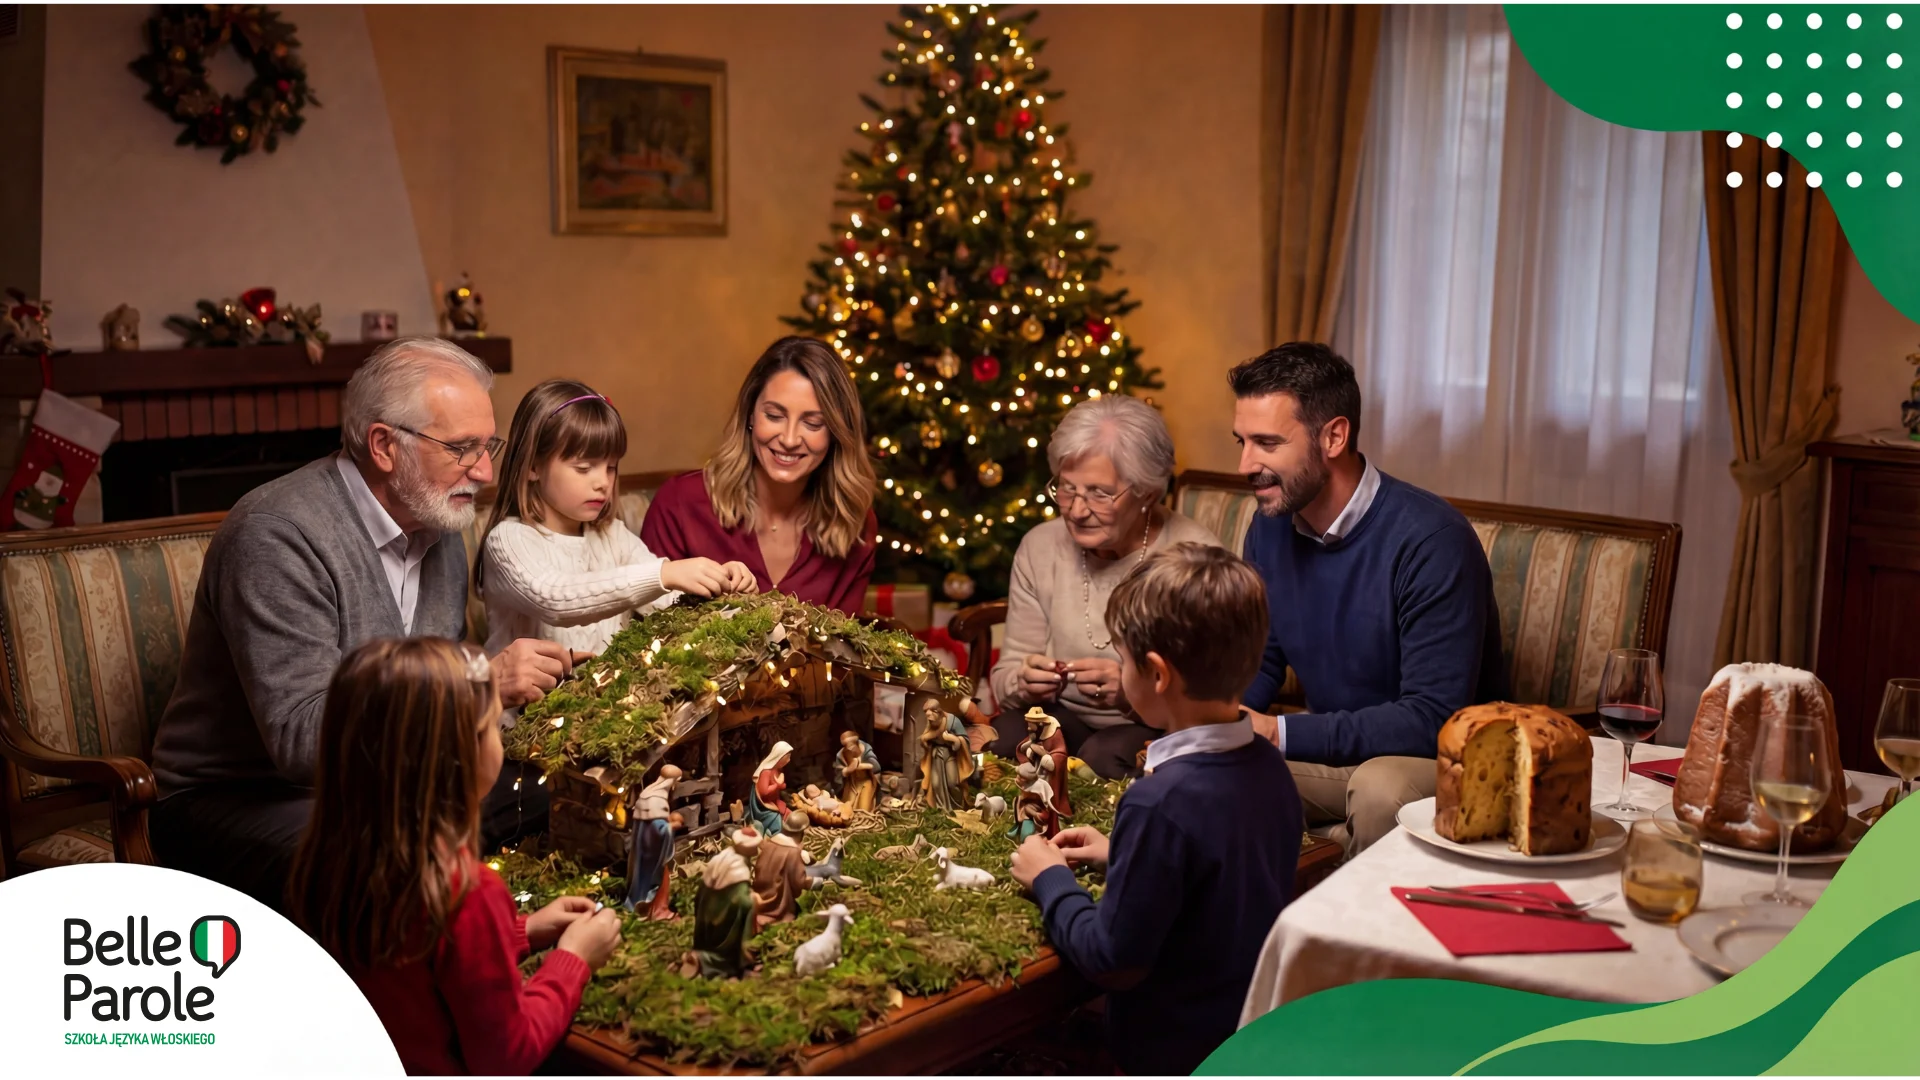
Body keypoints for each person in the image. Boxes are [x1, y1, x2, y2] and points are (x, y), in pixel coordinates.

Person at [150, 337, 581, 910]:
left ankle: (516, 948)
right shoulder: (276, 535)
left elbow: (431, 667)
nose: (483, 471)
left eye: (488, 445)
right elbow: (301, 741)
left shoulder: (439, 521)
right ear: (384, 446)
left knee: (561, 793)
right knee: (384, 855)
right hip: (241, 796)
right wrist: (480, 683)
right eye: (462, 448)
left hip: (385, 779)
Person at [1010, 542, 1301, 1076]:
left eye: (1122, 659)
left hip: (1167, 1053)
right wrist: (1121, 852)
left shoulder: (1158, 802)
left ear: (1157, 674)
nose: (1120, 670)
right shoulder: (1268, 767)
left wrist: (1050, 879)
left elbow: (1113, 960)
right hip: (1243, 1033)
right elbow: (1219, 876)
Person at [286, 638, 623, 1075]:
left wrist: (523, 930)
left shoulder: (330, 861)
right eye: (489, 725)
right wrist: (573, 959)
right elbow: (507, 1054)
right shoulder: (468, 892)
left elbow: (416, 965)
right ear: (458, 758)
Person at [1230, 342, 1505, 856]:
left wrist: (1279, 732)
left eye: (1266, 443)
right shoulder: (1269, 526)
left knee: (1379, 791)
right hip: (1338, 756)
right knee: (1194, 769)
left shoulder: (1431, 540)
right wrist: (1218, 716)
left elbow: (1431, 717)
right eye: (1241, 442)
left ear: (1334, 436)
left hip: (1444, 758)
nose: (1246, 464)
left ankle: (1352, 926)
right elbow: (1261, 658)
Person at [986, 396, 1220, 778]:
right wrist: (1024, 681)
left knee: (1107, 755)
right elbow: (1006, 675)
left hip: (1161, 728)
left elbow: (1209, 704)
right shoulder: (1040, 547)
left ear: (1147, 493)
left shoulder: (1194, 560)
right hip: (1064, 718)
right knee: (1005, 738)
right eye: (1066, 489)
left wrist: (1130, 693)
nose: (1077, 510)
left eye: (1099, 493)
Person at [477, 378, 756, 659]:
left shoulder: (613, 535)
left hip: (607, 701)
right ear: (533, 466)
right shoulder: (508, 540)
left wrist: (723, 589)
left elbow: (667, 604)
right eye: (584, 468)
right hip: (527, 702)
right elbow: (554, 598)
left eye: (610, 468)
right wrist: (665, 573)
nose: (603, 482)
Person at [642, 337, 878, 613]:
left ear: (836, 432)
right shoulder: (680, 504)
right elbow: (644, 630)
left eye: (813, 423)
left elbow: (843, 649)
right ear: (751, 415)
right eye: (774, 416)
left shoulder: (854, 523)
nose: (789, 439)